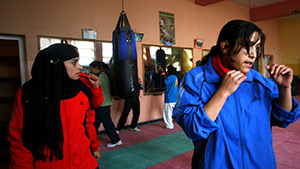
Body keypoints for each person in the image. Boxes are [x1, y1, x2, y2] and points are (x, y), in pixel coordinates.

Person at [173, 20, 300, 169]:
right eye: (248, 46)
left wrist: (285, 88)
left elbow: (284, 118)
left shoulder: (259, 82)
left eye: (257, 47)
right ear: (225, 46)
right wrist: (223, 92)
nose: (253, 54)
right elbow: (193, 128)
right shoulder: (196, 80)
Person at [8, 44, 101, 169]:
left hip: (84, 162)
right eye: (74, 63)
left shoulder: (81, 89)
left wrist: (94, 147)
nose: (80, 67)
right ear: (56, 65)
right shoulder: (28, 95)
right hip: (49, 163)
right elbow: (18, 138)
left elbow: (88, 123)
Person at [89, 61, 122, 148]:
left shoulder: (100, 77)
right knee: (107, 123)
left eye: (91, 69)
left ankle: (92, 144)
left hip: (102, 104)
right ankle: (116, 140)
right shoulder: (104, 74)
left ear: (96, 68)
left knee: (95, 124)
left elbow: (94, 87)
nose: (91, 71)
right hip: (105, 103)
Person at [163, 65, 178, 129]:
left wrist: (163, 76)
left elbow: (165, 82)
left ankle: (169, 125)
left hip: (169, 97)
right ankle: (170, 124)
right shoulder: (175, 77)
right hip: (175, 96)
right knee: (172, 111)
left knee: (167, 112)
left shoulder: (170, 77)